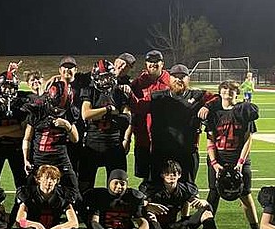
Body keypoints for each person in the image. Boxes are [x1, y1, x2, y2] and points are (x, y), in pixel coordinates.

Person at [141, 160, 242, 229]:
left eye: (174, 173)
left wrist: (204, 202)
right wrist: (148, 205)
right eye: (167, 173)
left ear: (179, 175)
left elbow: (201, 204)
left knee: (206, 210)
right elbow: (139, 204)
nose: (171, 176)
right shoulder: (154, 189)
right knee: (150, 214)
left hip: (174, 226)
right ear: (162, 175)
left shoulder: (184, 189)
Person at [205, 80, 260, 229]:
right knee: (214, 193)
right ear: (219, 91)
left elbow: (248, 139)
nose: (227, 92)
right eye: (224, 89)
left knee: (244, 193)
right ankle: (208, 227)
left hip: (238, 158)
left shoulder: (243, 110)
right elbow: (210, 139)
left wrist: (241, 162)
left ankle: (255, 227)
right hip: (219, 158)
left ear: (237, 93)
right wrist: (214, 163)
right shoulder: (214, 112)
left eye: (231, 90)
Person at [148, 64, 217, 183]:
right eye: (175, 76)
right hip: (162, 152)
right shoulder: (156, 97)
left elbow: (218, 97)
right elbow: (137, 106)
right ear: (169, 78)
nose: (178, 79)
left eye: (182, 76)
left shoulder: (198, 96)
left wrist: (207, 106)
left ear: (188, 79)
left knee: (187, 190)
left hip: (187, 152)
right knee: (157, 189)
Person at [77, 59, 131, 192]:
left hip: (114, 145)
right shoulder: (89, 90)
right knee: (85, 187)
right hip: (92, 145)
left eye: (107, 77)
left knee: (117, 187)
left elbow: (127, 117)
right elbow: (86, 114)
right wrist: (107, 110)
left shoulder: (119, 92)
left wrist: (125, 137)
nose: (105, 81)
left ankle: (110, 213)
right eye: (102, 78)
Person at [22, 78, 80, 190]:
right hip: (39, 159)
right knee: (29, 193)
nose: (57, 111)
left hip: (60, 159)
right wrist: (26, 159)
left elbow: (75, 139)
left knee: (74, 192)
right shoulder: (38, 109)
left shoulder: (70, 112)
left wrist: (67, 126)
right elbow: (27, 139)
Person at [127, 50, 170, 180]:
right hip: (142, 137)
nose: (153, 64)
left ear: (162, 63)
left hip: (164, 138)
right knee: (145, 177)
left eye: (156, 61)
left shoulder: (170, 81)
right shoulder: (138, 83)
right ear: (146, 64)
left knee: (163, 175)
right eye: (150, 62)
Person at [0, 63, 29, 189]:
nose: (8, 90)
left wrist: (1, 132)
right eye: (5, 86)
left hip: (16, 148)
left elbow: (23, 133)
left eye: (11, 86)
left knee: (21, 182)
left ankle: (19, 208)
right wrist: (16, 127)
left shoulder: (22, 103)